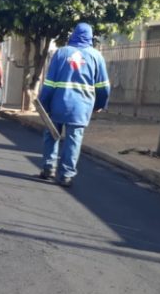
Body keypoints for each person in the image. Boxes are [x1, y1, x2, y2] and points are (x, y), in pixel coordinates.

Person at [37, 22, 110, 187]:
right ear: (90, 37)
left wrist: (43, 103)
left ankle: (49, 169)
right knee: (73, 140)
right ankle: (66, 175)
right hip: (81, 107)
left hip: (58, 104)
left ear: (73, 35)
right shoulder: (96, 56)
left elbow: (49, 83)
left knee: (52, 135)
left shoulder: (61, 53)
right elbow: (103, 87)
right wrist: (100, 104)